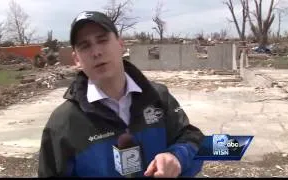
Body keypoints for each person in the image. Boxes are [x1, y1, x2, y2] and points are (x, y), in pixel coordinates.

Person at [38, 11, 205, 178]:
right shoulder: (63, 123)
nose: (96, 52)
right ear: (76, 59)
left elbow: (193, 140)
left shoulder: (158, 97)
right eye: (85, 45)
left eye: (102, 40)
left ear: (120, 44)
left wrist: (176, 158)